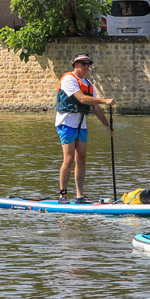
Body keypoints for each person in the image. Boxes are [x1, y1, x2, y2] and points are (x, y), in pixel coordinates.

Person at [55, 53, 114, 202]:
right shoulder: (69, 79)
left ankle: (80, 196)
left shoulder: (89, 84)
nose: (87, 67)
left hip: (81, 124)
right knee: (69, 158)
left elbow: (96, 108)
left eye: (88, 64)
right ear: (76, 65)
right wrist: (105, 100)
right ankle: (63, 195)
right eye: (83, 64)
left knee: (81, 159)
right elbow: (81, 98)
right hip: (66, 122)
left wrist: (108, 126)